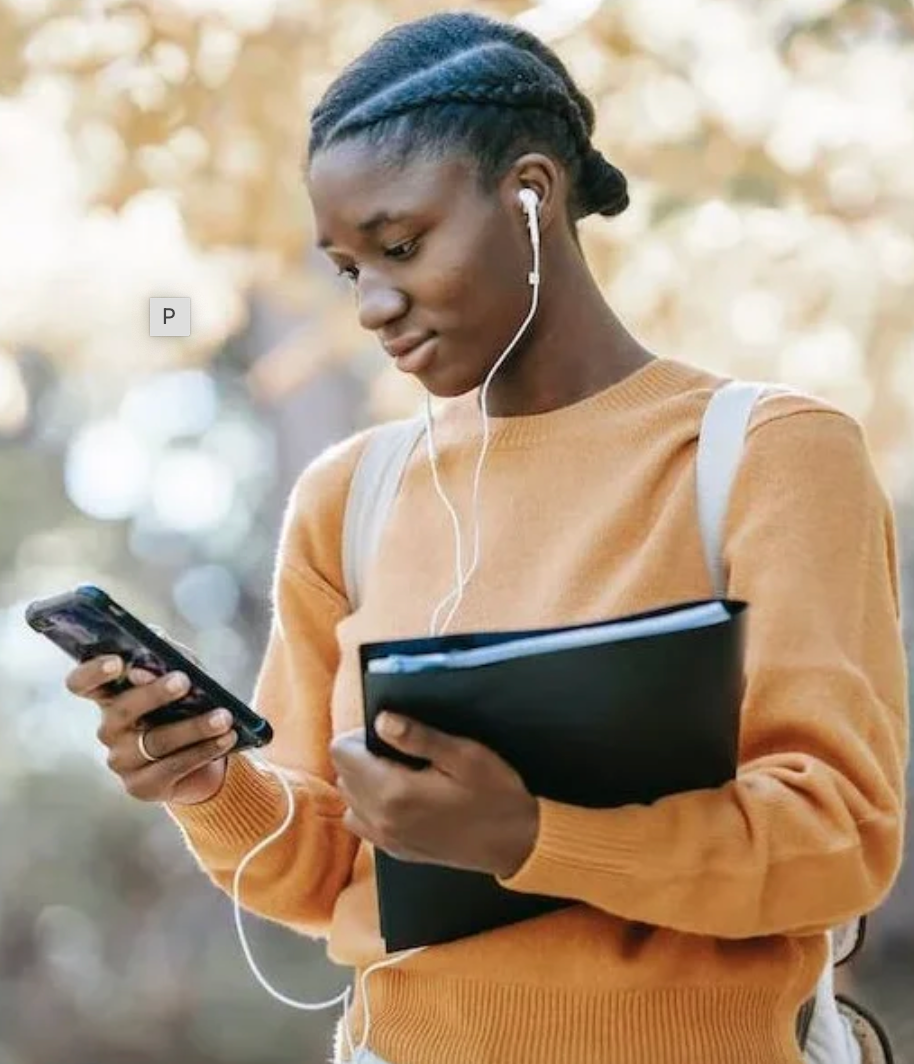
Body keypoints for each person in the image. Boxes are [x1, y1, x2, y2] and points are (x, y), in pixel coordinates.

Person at [64, 11, 908, 1064]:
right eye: (346, 268)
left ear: (530, 195)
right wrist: (205, 783)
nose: (372, 302)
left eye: (401, 245)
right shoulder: (351, 495)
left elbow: (837, 840)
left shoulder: (766, 454)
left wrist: (525, 835)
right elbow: (317, 873)